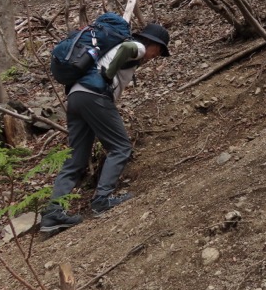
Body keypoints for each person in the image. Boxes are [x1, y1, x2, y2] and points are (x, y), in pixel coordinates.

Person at [40, 23, 171, 233]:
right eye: (160, 50)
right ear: (152, 43)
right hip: (95, 96)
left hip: (75, 97)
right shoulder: (138, 47)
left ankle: (53, 213)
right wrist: (108, 76)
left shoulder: (110, 49)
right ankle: (102, 199)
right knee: (121, 146)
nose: (157, 55)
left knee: (75, 159)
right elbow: (127, 49)